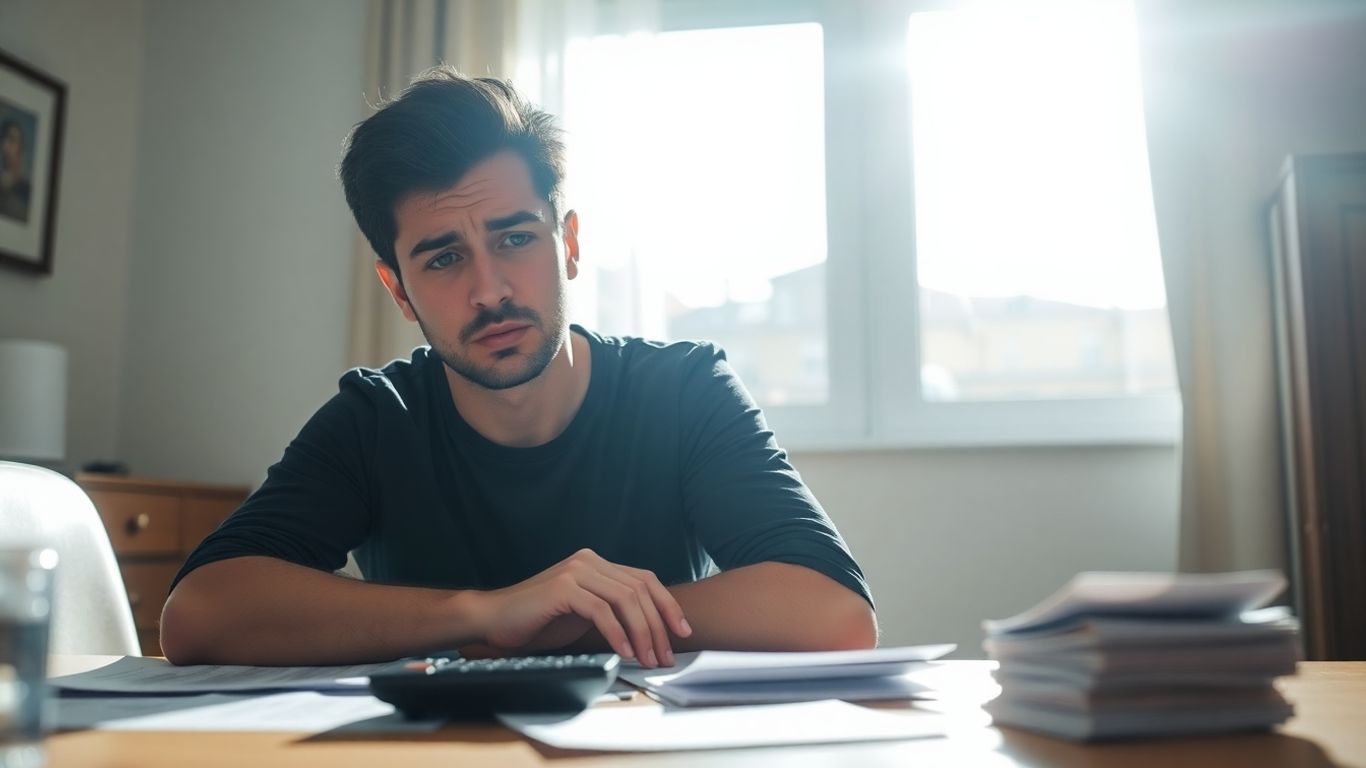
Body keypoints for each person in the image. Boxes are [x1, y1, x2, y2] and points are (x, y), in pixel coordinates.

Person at [159, 67, 876, 668]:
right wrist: (488, 612)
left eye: (514, 238)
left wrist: (572, 620)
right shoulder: (379, 419)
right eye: (443, 258)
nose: (490, 290)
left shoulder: (682, 389)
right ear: (398, 290)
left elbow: (833, 613)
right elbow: (199, 614)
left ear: (568, 244)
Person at [0, 120, 32, 223]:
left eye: (11, 140)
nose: (5, 147)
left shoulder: (27, 191)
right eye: (3, 140)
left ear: (21, 148)